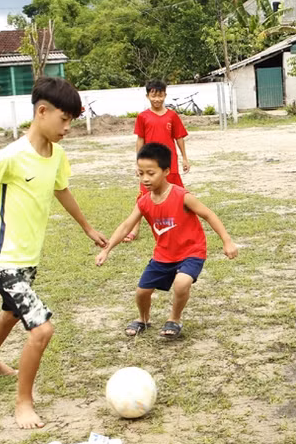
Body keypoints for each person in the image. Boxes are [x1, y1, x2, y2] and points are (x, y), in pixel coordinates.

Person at [0, 77, 108, 429]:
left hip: (27, 257)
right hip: (3, 258)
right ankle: (23, 402)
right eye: (64, 119)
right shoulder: (11, 157)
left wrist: (87, 227)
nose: (68, 128)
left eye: (72, 121)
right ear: (41, 111)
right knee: (41, 330)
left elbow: (61, 189)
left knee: (11, 310)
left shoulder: (58, 154)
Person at [96, 143, 238, 339]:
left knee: (181, 283)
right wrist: (107, 250)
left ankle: (174, 319)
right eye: (140, 173)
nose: (145, 178)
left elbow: (209, 215)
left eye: (151, 173)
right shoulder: (144, 201)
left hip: (191, 251)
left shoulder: (182, 196)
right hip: (164, 254)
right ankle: (143, 320)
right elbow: (126, 226)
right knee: (141, 292)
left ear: (166, 171)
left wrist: (227, 241)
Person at [124, 80, 190, 242]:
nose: (157, 99)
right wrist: (138, 162)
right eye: (153, 95)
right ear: (148, 96)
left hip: (169, 163)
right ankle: (134, 229)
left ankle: (184, 226)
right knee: (143, 197)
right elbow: (140, 140)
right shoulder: (142, 117)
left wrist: (184, 158)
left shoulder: (172, 116)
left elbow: (179, 138)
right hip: (149, 164)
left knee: (179, 196)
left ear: (165, 95)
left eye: (160, 95)